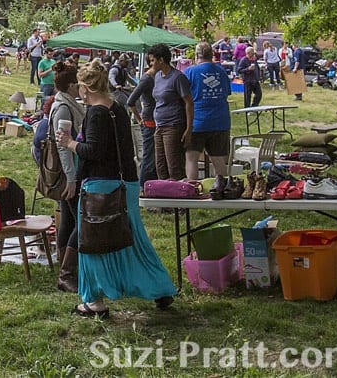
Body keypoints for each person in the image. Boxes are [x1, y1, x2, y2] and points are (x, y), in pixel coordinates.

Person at [54, 59, 176, 318]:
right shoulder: (118, 109)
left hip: (101, 186)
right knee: (133, 241)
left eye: (80, 87)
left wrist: (69, 143)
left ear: (86, 87)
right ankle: (159, 288)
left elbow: (95, 151)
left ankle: (94, 302)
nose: (79, 93)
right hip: (127, 183)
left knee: (94, 243)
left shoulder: (96, 113)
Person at [49, 61, 85, 293]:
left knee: (70, 220)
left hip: (70, 170)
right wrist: (72, 178)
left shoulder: (67, 103)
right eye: (79, 84)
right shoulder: (63, 108)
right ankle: (67, 272)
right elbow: (63, 146)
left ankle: (65, 266)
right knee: (80, 221)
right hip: (68, 172)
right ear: (72, 86)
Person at [184, 41, 232, 186]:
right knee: (218, 158)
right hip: (220, 121)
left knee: (191, 157)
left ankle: (192, 188)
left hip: (197, 121)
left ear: (197, 55)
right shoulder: (221, 72)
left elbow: (184, 97)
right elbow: (227, 93)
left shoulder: (190, 72)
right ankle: (222, 188)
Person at [148, 42, 193, 181]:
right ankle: (164, 199)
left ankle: (178, 199)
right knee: (160, 166)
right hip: (159, 125)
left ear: (161, 60)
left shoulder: (177, 77)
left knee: (174, 166)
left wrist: (189, 129)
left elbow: (189, 103)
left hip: (173, 126)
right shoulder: (157, 76)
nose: (151, 64)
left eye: (152, 60)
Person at [126, 66, 158, 186]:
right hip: (149, 121)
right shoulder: (147, 79)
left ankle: (151, 186)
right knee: (149, 156)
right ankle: (144, 186)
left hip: (155, 120)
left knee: (153, 156)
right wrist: (139, 119)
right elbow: (130, 101)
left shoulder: (155, 77)